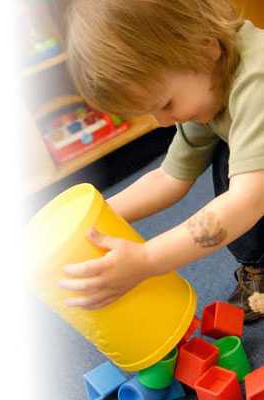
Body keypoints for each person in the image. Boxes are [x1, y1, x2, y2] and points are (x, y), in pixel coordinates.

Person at [57, 0, 264, 322]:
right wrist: (91, 219)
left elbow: (246, 201)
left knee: (242, 175)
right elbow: (169, 178)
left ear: (206, 48)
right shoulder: (208, 75)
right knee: (233, 159)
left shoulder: (257, 82)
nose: (163, 122)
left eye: (166, 104)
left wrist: (148, 259)